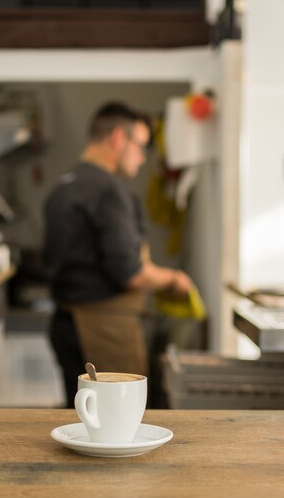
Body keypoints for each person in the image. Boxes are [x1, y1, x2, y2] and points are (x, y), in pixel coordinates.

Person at [43, 102, 195, 407]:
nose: (142, 156)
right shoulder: (108, 190)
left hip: (66, 322)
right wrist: (174, 279)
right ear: (117, 139)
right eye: (140, 145)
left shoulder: (63, 187)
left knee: (84, 416)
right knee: (116, 420)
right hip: (103, 329)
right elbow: (131, 273)